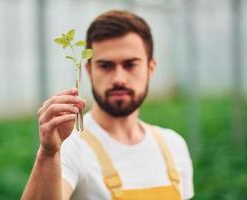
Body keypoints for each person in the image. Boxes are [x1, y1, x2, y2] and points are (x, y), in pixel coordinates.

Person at [21, 10, 194, 200]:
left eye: (130, 65)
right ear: (89, 70)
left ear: (150, 68)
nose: (119, 79)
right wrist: (47, 154)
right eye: (106, 66)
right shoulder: (70, 145)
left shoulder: (173, 145)